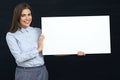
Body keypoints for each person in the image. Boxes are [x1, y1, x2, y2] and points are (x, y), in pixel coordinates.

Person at [6, 2, 85, 80]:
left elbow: (52, 51)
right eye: (23, 15)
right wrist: (38, 49)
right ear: (17, 17)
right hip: (25, 73)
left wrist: (74, 51)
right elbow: (19, 58)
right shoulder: (11, 35)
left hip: (42, 71)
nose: (27, 18)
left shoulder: (39, 31)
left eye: (29, 14)